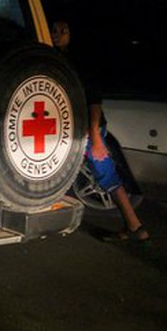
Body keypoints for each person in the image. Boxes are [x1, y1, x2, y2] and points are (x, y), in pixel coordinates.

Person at [52, 19, 150, 244]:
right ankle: (133, 226)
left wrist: (95, 138)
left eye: (63, 31)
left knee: (106, 176)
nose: (58, 35)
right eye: (54, 31)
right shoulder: (59, 59)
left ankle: (135, 227)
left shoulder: (80, 62)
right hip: (73, 129)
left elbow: (94, 102)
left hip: (88, 130)